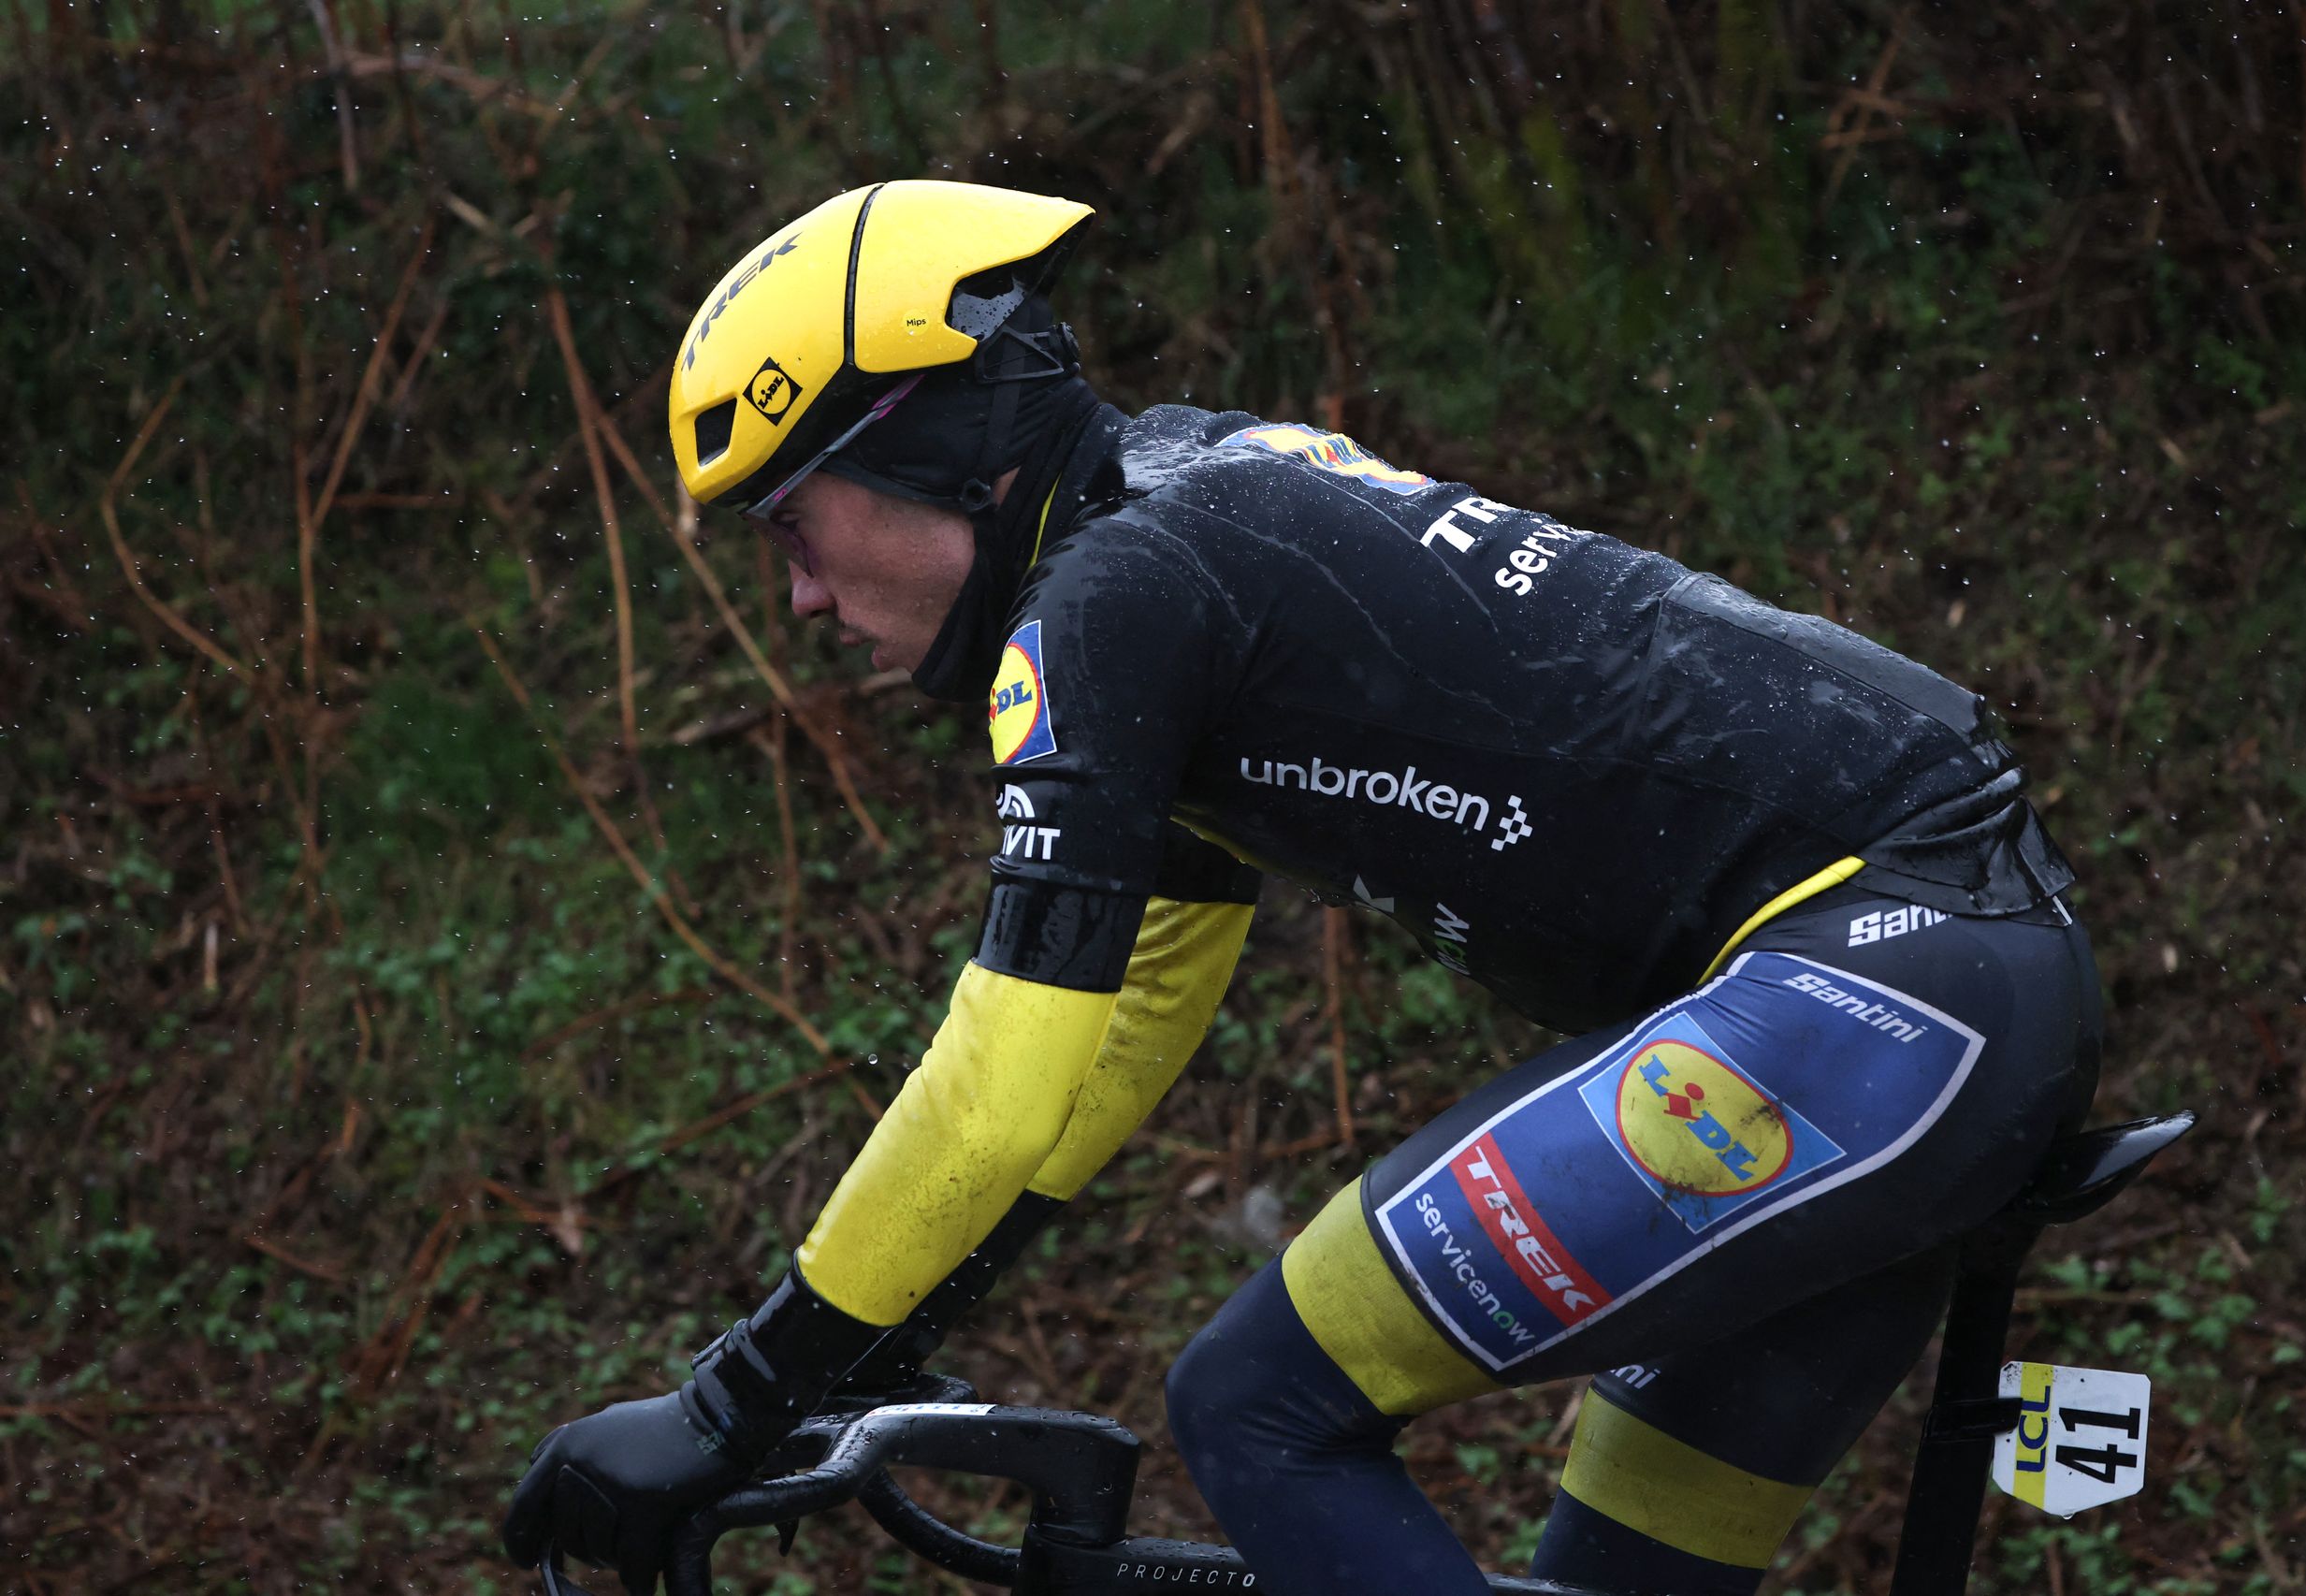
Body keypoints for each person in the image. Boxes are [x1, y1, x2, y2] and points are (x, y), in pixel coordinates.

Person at [501, 180, 2100, 1596]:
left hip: (1876, 983)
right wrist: (877, 1341)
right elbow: (1121, 1029)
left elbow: (1000, 1083)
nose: (797, 594)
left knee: (1255, 1402)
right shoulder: (1175, 514)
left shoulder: (1111, 596)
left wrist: (730, 1401)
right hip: (1941, 990)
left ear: (934, 447)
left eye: (794, 523)